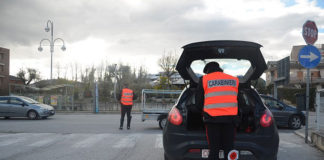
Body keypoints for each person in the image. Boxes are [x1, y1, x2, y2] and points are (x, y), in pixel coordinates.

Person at [195, 62, 239, 160]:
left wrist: (198, 111)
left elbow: (198, 103)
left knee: (214, 150)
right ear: (219, 69)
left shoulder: (204, 79)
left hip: (212, 121)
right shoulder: (234, 80)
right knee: (229, 150)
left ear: (207, 71)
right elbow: (240, 101)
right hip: (230, 120)